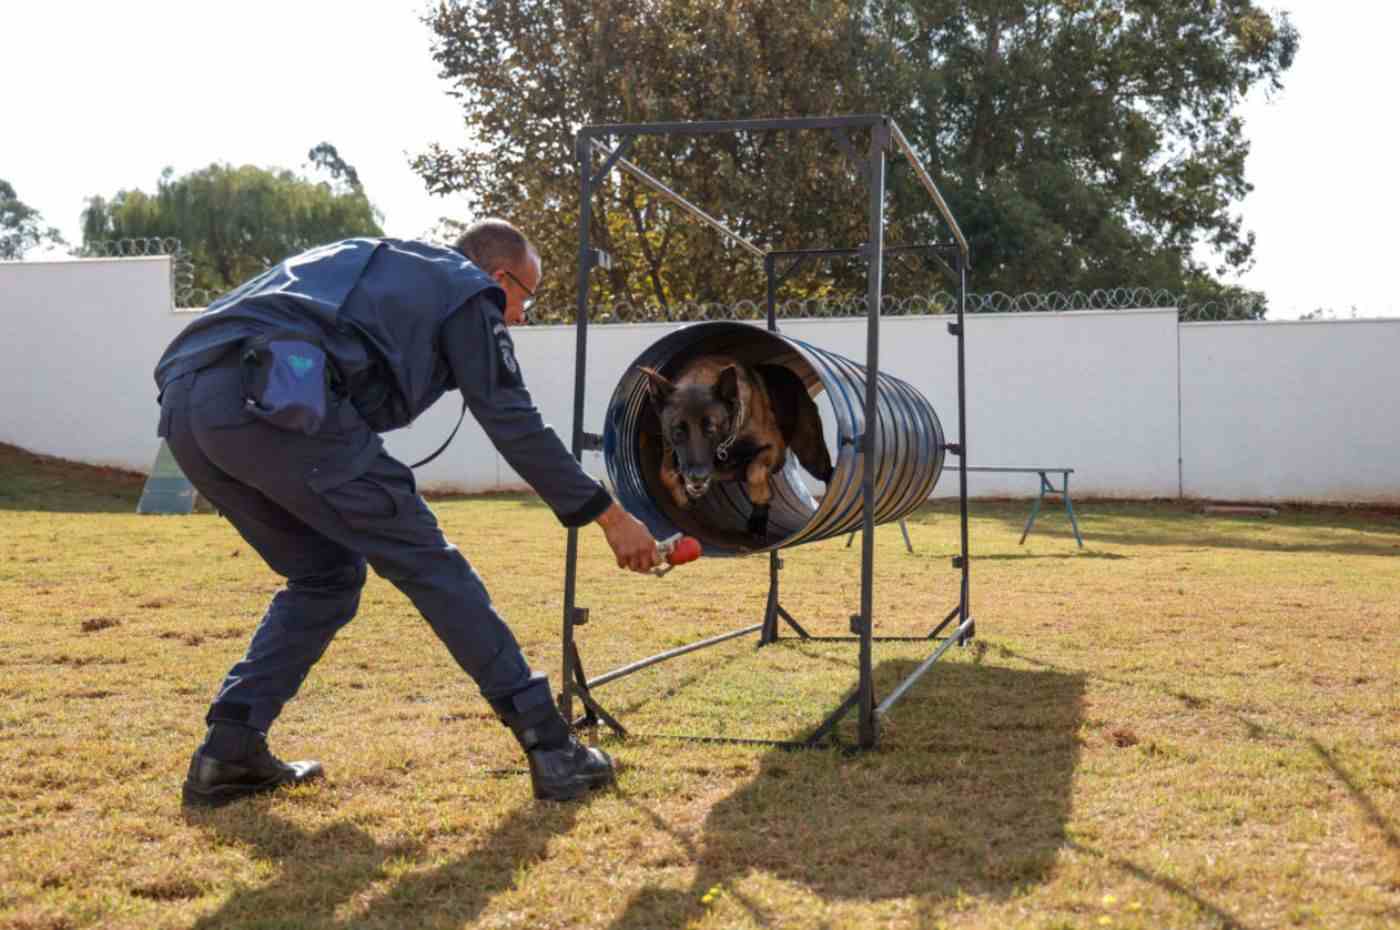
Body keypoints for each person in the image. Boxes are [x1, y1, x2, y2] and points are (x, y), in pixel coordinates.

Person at [154, 220, 659, 806]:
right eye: (526, 297)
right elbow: (512, 419)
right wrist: (611, 516)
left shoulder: (380, 261)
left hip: (188, 407)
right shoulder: (468, 289)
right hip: (279, 391)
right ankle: (551, 746)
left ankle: (230, 750)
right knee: (431, 565)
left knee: (325, 577)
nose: (518, 316)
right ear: (500, 277)